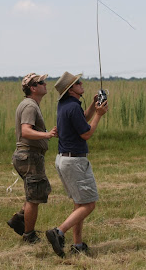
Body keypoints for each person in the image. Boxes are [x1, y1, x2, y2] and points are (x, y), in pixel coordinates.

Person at [46, 71, 108, 257]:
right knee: (89, 204)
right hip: (74, 161)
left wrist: (92, 106)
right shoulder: (72, 107)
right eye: (78, 83)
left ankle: (78, 244)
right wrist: (99, 115)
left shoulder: (67, 104)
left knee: (79, 203)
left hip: (64, 159)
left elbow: (82, 121)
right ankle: (58, 232)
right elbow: (86, 133)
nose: (82, 84)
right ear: (71, 89)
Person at [7, 73, 58, 244]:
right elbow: (26, 131)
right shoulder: (30, 106)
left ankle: (19, 219)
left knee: (37, 191)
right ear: (33, 88)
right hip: (29, 156)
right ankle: (29, 236)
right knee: (34, 198)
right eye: (41, 82)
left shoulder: (29, 104)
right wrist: (47, 134)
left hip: (27, 155)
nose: (45, 84)